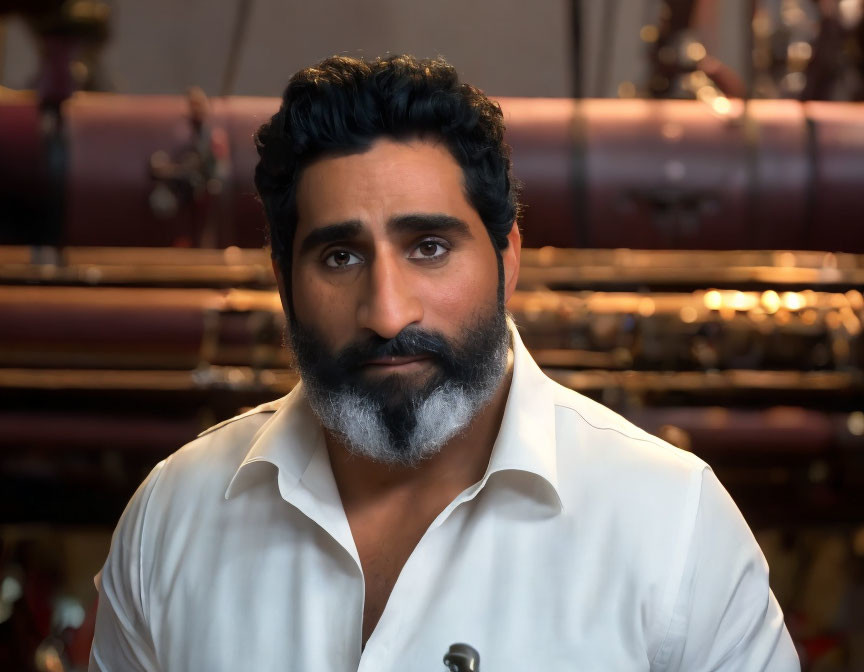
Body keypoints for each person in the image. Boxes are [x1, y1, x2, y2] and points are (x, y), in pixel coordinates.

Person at [89, 54, 800, 671]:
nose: (388, 313)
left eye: (429, 246)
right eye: (340, 256)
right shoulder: (171, 518)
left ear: (507, 257)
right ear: (284, 280)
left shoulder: (672, 527)